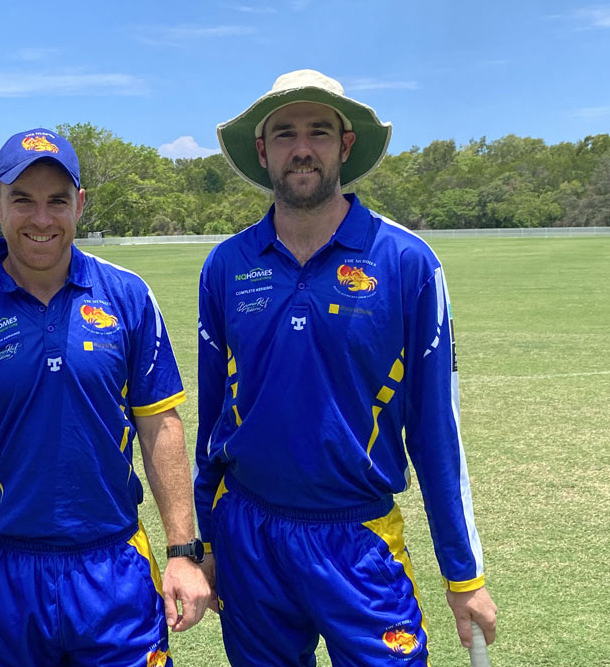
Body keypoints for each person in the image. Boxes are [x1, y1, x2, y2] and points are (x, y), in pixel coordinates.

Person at [195, 70, 498, 666]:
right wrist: (206, 541)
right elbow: (213, 426)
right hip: (249, 536)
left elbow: (437, 431)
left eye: (318, 132)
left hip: (359, 540)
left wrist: (464, 576)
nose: (301, 148)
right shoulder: (226, 266)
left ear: (345, 145)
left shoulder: (408, 261)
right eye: (284, 134)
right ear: (262, 151)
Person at [0, 128, 211, 667]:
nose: (42, 219)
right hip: (6, 570)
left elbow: (160, 427)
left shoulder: (128, 296)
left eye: (57, 201)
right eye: (22, 200)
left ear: (79, 204)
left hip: (115, 565)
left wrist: (183, 552)